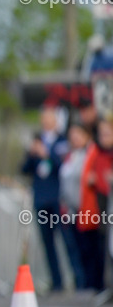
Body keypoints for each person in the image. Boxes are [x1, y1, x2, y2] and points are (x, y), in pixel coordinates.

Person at [21, 108, 69, 292]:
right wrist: (32, 153)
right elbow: (25, 169)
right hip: (41, 198)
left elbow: (62, 165)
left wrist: (47, 153)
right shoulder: (36, 141)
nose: (45, 122)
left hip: (57, 198)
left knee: (66, 240)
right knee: (47, 243)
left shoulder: (62, 141)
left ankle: (78, 280)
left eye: (49, 119)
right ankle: (56, 282)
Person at [78, 118, 113, 292]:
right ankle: (103, 285)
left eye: (107, 133)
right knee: (103, 245)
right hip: (102, 204)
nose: (104, 137)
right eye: (101, 134)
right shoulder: (97, 153)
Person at [58, 122, 90, 292]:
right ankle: (79, 283)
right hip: (69, 209)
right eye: (72, 135)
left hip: (84, 208)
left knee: (87, 248)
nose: (75, 138)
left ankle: (89, 283)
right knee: (73, 248)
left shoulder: (89, 155)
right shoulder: (70, 156)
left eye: (78, 134)